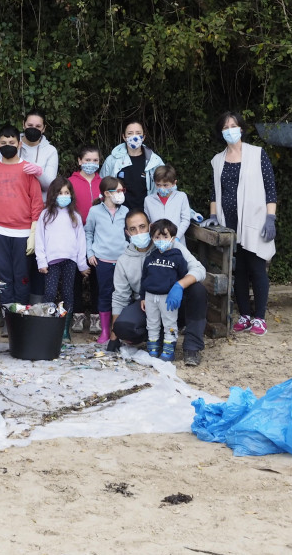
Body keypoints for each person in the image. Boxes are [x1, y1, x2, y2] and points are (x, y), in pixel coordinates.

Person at [207, 111, 277, 336]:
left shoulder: (257, 154)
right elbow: (214, 192)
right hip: (230, 224)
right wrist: (215, 217)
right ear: (221, 132)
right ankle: (245, 314)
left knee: (256, 268)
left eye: (233, 126)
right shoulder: (218, 160)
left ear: (241, 128)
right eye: (225, 127)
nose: (230, 130)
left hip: (255, 221)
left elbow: (270, 188)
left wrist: (270, 218)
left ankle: (260, 318)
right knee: (239, 269)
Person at [112, 210, 207, 366]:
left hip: (173, 301)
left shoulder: (171, 245)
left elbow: (199, 269)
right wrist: (114, 337)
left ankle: (192, 346)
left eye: (142, 227)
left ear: (150, 227)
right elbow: (120, 297)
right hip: (147, 303)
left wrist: (179, 285)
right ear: (127, 232)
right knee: (123, 327)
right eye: (133, 229)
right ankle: (158, 338)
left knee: (198, 290)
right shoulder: (124, 260)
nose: (139, 232)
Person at [0, 125, 44, 308]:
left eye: (12, 142)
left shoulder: (28, 170)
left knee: (22, 276)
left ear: (20, 144)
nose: (8, 145)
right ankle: (8, 314)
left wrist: (33, 234)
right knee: (4, 275)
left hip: (23, 233)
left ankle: (21, 314)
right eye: (4, 143)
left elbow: (37, 204)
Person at [35, 177, 89, 341]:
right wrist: (42, 261)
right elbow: (39, 239)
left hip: (70, 260)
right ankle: (47, 326)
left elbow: (81, 241)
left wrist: (82, 264)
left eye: (67, 192)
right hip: (52, 262)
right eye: (60, 193)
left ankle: (65, 329)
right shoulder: (45, 215)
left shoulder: (75, 216)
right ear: (53, 195)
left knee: (68, 293)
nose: (63, 196)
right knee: (50, 293)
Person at [84, 176, 128, 345]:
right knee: (104, 295)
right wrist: (90, 253)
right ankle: (104, 331)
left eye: (122, 190)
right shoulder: (95, 211)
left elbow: (130, 235)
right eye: (117, 191)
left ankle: (119, 330)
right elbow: (88, 233)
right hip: (102, 261)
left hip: (122, 260)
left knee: (122, 295)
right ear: (106, 193)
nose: (121, 194)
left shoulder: (125, 211)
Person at [140, 219, 188, 360]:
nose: (161, 240)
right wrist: (143, 297)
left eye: (165, 236)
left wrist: (179, 292)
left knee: (170, 323)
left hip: (168, 298)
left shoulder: (178, 258)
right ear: (152, 239)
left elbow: (183, 275)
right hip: (150, 296)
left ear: (172, 238)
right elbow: (144, 278)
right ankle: (153, 347)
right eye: (157, 237)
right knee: (152, 323)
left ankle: (169, 349)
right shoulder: (150, 258)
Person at [69, 145, 103, 333]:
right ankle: (78, 315)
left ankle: (97, 317)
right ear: (80, 161)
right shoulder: (70, 183)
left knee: (97, 276)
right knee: (74, 276)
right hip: (75, 234)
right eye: (87, 160)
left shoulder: (104, 183)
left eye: (95, 160)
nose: (91, 164)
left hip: (99, 236)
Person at [100, 120, 165, 212]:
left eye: (138, 133)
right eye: (130, 133)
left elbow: (166, 186)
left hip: (146, 214)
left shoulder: (155, 161)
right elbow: (102, 185)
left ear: (144, 137)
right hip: (118, 214)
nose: (134, 137)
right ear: (124, 137)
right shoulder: (112, 160)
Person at [144, 164, 191, 240]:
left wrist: (177, 237)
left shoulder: (181, 197)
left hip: (177, 241)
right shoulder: (148, 200)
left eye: (165, 185)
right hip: (156, 242)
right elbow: (147, 223)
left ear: (174, 183)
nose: (161, 188)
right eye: (158, 185)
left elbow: (185, 219)